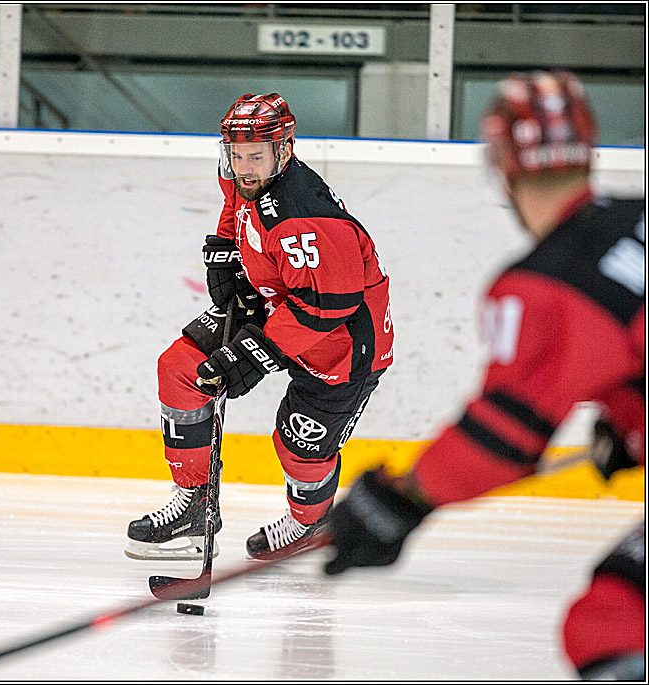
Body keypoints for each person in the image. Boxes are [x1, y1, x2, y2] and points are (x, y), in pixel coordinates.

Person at [323, 71, 644, 681]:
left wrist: (400, 498)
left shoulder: (550, 282)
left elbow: (503, 438)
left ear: (503, 165)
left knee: (614, 617)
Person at [126, 93, 394, 561]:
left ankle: (311, 523)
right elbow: (235, 207)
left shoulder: (306, 217)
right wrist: (226, 253)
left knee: (298, 443)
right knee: (181, 369)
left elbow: (325, 306)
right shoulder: (243, 176)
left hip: (342, 345)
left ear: (284, 150)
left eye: (255, 156)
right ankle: (195, 503)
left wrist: (254, 353)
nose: (243, 165)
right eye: (236, 154)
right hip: (276, 306)